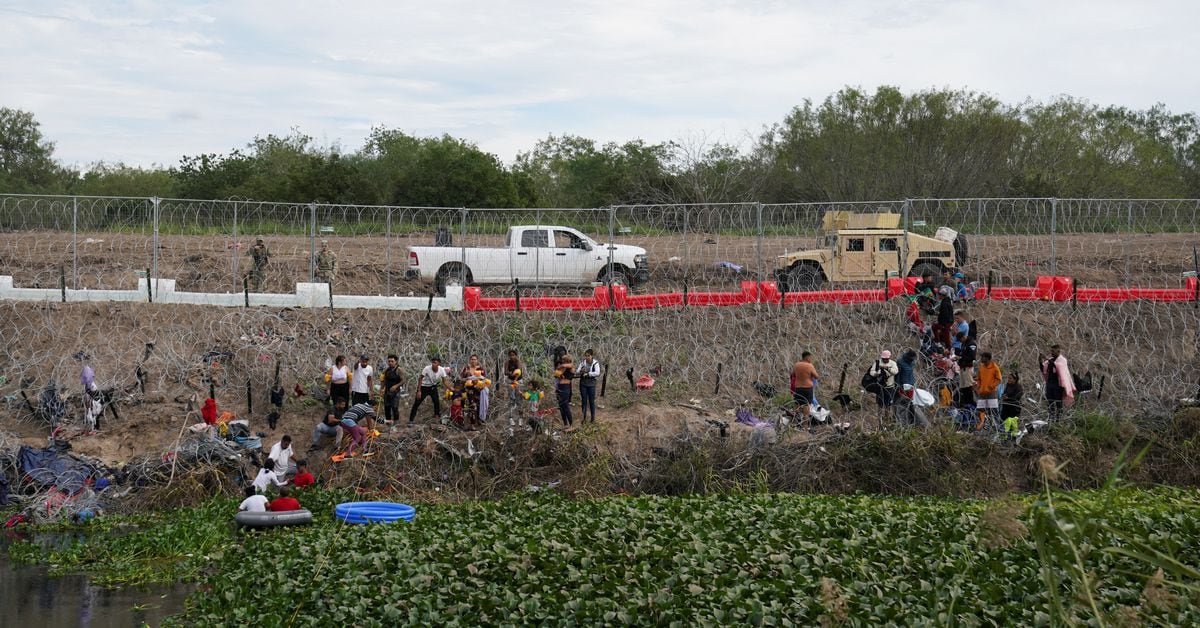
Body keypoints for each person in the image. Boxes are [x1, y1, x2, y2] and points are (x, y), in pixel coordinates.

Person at [409, 357, 450, 426]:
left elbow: (444, 381)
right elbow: (420, 378)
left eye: (435, 362)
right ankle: (411, 420)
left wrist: (450, 388)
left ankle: (437, 417)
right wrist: (419, 391)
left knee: (436, 402)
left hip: (433, 387)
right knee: (417, 403)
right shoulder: (427, 368)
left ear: (438, 363)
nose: (433, 364)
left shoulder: (441, 370)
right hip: (424, 387)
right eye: (432, 362)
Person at [1041, 344, 1075, 420]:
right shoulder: (1050, 360)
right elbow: (1043, 369)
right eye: (1051, 351)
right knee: (1050, 402)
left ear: (1058, 351)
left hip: (1058, 385)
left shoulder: (1062, 360)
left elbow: (1058, 367)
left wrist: (1047, 359)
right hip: (1050, 384)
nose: (1051, 353)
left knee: (1058, 403)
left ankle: (1058, 419)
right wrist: (1040, 361)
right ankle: (1051, 418)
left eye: (1053, 351)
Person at [791, 351, 819, 429]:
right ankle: (805, 426)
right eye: (810, 357)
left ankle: (794, 423)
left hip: (798, 388)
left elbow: (793, 374)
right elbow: (816, 376)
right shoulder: (809, 366)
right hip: (807, 389)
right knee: (806, 407)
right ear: (807, 357)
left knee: (797, 405)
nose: (811, 359)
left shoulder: (796, 365)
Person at [976, 353, 1002, 429]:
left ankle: (995, 427)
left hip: (991, 393)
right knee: (981, 410)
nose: (981, 359)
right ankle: (981, 426)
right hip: (982, 393)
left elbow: (999, 379)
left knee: (993, 411)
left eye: (983, 357)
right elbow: (978, 379)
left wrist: (992, 386)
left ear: (988, 358)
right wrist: (979, 387)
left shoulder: (995, 367)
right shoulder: (981, 367)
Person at [577, 349, 601, 422]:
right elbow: (577, 371)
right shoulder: (583, 363)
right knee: (584, 401)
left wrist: (588, 373)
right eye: (586, 356)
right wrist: (581, 371)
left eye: (588, 356)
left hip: (591, 384)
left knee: (591, 401)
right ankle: (584, 418)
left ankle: (592, 418)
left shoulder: (595, 363)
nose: (587, 357)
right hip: (583, 384)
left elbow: (597, 373)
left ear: (592, 356)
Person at [381, 354, 404, 425]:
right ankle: (388, 422)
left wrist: (396, 386)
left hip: (396, 392)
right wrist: (381, 389)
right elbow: (384, 380)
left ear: (396, 361)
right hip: (387, 391)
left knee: (394, 407)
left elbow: (403, 380)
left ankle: (396, 423)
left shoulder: (399, 370)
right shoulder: (386, 370)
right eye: (389, 361)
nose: (390, 362)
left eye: (392, 361)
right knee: (387, 407)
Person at [556, 353, 575, 426]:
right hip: (560, 387)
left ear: (567, 360)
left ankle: (571, 424)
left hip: (565, 388)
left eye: (564, 360)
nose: (562, 361)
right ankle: (565, 424)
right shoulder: (563, 368)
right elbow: (557, 375)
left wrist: (560, 367)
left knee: (565, 406)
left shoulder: (571, 367)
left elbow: (567, 365)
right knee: (561, 407)